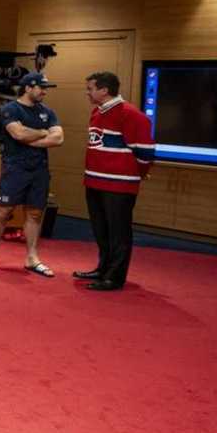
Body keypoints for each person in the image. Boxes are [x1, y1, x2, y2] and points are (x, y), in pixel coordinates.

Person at [76, 71, 155, 291]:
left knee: (118, 232)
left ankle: (115, 276)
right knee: (101, 230)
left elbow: (145, 152)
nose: (87, 93)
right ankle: (103, 268)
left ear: (104, 90)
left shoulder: (131, 114)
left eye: (90, 88)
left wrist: (136, 173)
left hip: (119, 185)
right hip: (94, 182)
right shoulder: (96, 113)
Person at [0, 72, 63, 278]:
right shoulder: (10, 110)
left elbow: (59, 138)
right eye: (41, 88)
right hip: (15, 168)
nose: (44, 92)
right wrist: (44, 132)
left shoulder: (48, 111)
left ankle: (32, 258)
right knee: (3, 212)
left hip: (39, 169)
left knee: (35, 213)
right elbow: (18, 134)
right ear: (28, 88)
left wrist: (32, 137)